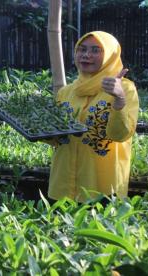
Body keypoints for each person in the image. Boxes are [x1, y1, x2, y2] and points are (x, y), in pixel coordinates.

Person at [47, 31, 139, 202]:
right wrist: (38, 130)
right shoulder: (66, 92)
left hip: (102, 187)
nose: (86, 55)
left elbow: (121, 135)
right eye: (82, 49)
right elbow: (56, 138)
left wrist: (119, 100)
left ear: (110, 55)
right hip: (63, 185)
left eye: (96, 50)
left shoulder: (125, 89)